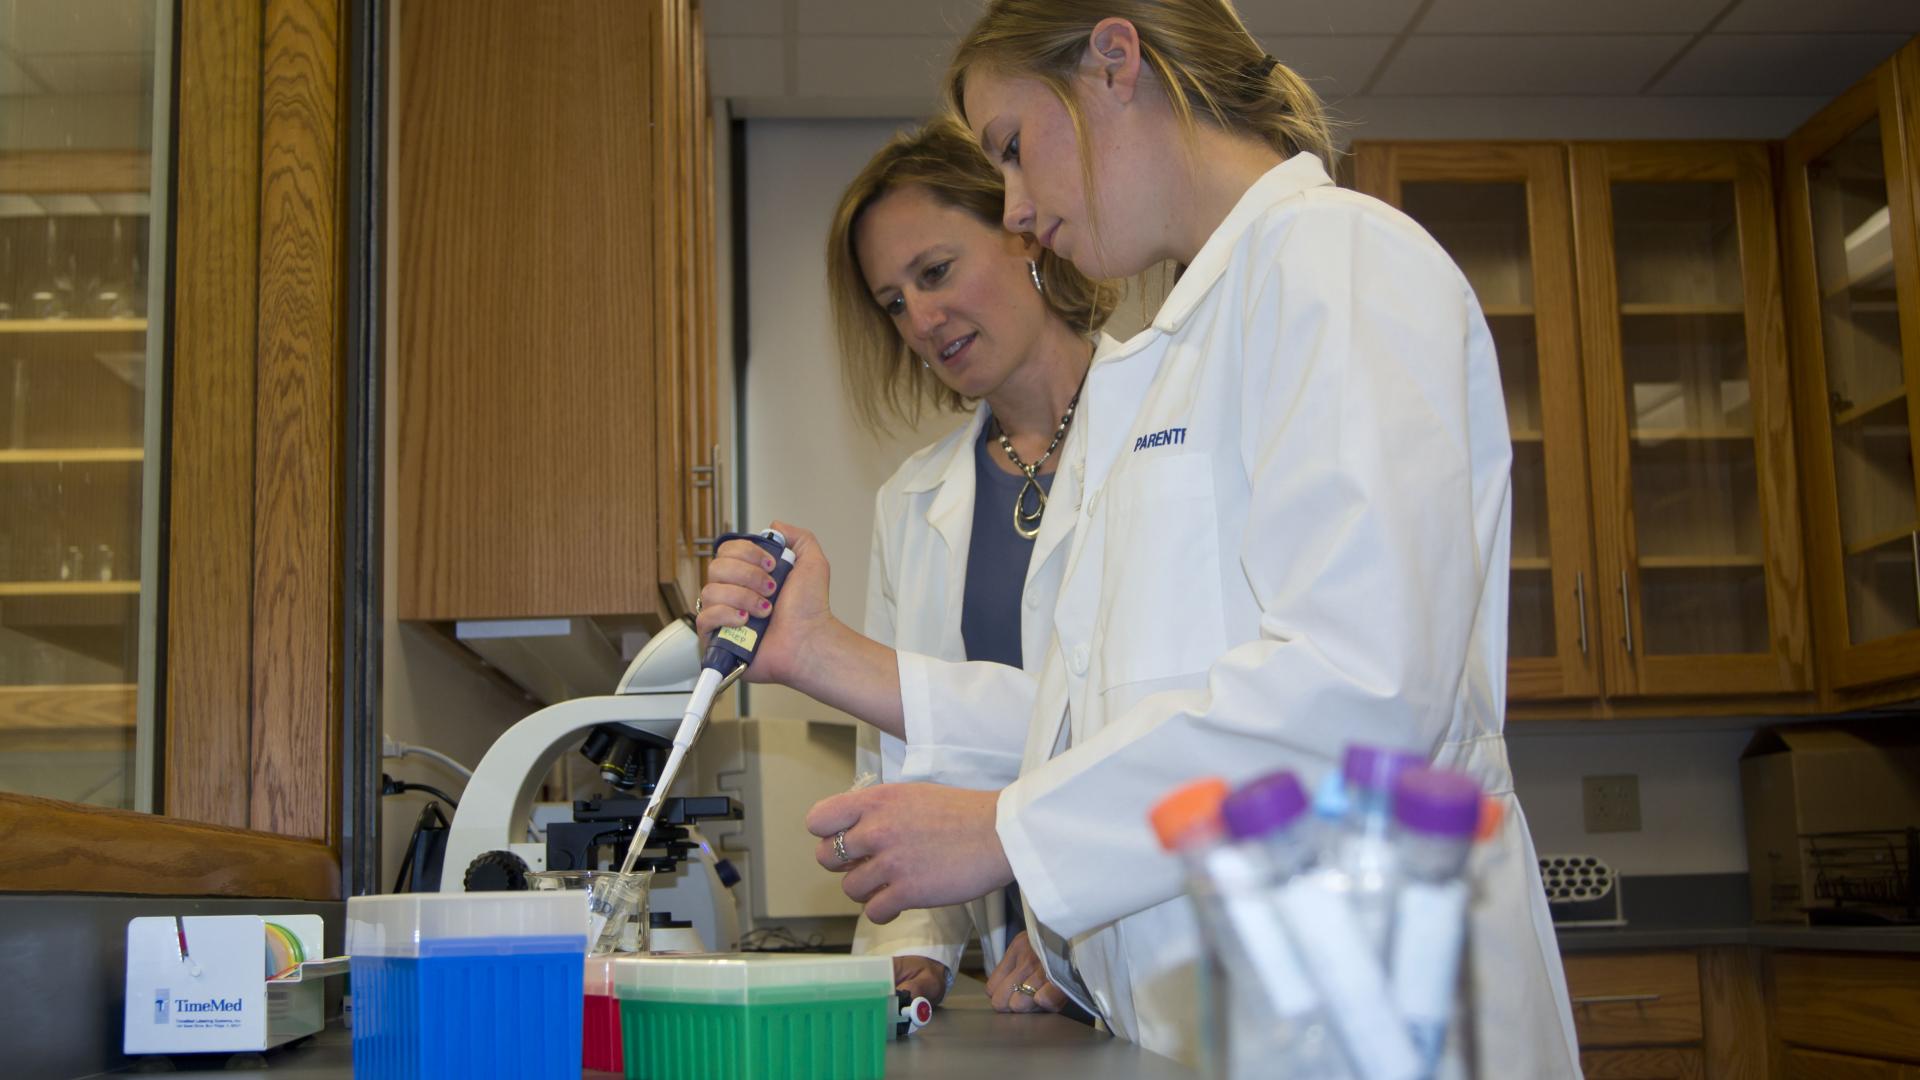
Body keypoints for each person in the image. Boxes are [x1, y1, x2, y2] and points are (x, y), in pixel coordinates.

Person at [726, 0, 1582, 1072]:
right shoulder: (1169, 362)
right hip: (1228, 1018)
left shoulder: (1337, 261)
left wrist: (1011, 831)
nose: (1022, 207)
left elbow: (1368, 691)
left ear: (1115, 60)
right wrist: (818, 658)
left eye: (1014, 150)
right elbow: (1089, 716)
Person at [700, 114, 1120, 1011]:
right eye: (894, 302)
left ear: (1024, 231)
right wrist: (910, 943)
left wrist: (1082, 945)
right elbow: (899, 771)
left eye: (935, 272)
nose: (922, 320)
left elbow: (1151, 732)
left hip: (1147, 940)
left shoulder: (1163, 435)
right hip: (1013, 977)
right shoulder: (913, 500)